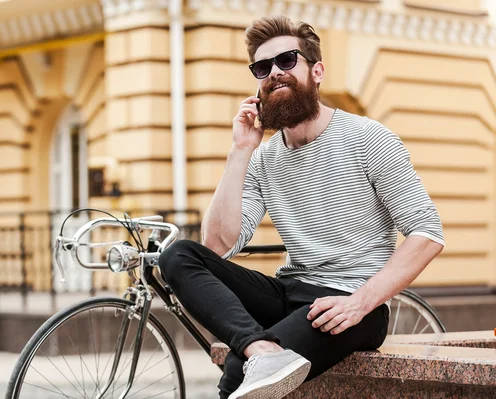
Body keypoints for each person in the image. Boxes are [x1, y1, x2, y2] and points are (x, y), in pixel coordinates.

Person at [158, 15, 445, 399]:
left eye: (287, 61)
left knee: (237, 373)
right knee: (176, 255)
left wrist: (360, 301)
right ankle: (261, 350)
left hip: (350, 304)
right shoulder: (263, 158)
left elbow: (427, 233)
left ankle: (254, 355)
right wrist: (241, 150)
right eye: (263, 68)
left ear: (317, 71)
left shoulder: (368, 139)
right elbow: (218, 246)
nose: (274, 73)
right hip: (288, 293)